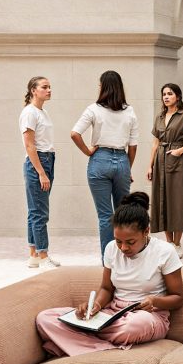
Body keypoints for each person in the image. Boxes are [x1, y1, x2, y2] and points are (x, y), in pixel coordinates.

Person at [34, 193, 183, 356]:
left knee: (135, 326)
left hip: (148, 317)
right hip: (112, 315)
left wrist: (155, 301)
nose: (123, 248)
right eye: (119, 241)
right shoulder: (111, 248)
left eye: (130, 242)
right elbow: (106, 288)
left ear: (146, 231)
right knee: (45, 318)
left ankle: (73, 342)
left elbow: (178, 298)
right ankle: (99, 346)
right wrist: (95, 306)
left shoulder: (165, 251)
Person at [72, 70, 141, 255]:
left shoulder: (94, 109)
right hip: (122, 160)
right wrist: (127, 168)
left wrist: (88, 151)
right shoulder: (130, 111)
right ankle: (124, 254)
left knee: (105, 216)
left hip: (99, 160)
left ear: (103, 87)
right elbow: (133, 146)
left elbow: (74, 133)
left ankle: (108, 261)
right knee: (122, 215)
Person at [147, 82, 183, 248]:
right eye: (164, 94)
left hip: (177, 162)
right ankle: (168, 243)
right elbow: (155, 143)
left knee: (177, 202)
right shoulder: (160, 117)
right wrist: (150, 166)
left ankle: (177, 245)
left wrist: (180, 151)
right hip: (160, 162)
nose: (166, 97)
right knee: (163, 200)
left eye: (170, 94)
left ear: (177, 97)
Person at [21, 76, 60, 269]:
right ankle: (44, 256)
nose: (49, 90)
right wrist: (41, 173)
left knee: (34, 211)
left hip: (47, 159)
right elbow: (30, 145)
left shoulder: (42, 112)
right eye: (45, 87)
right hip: (39, 161)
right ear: (33, 90)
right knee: (40, 213)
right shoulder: (29, 113)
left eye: (50, 87)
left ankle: (34, 255)